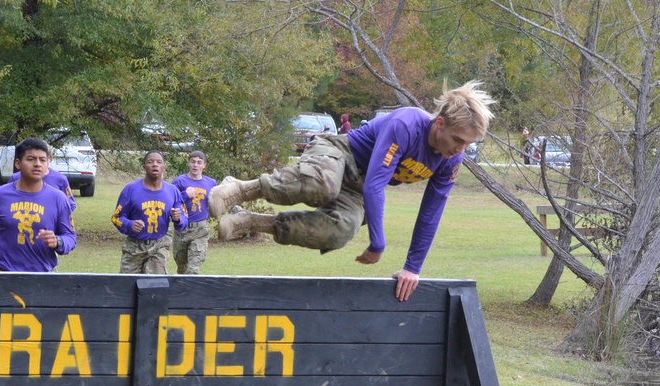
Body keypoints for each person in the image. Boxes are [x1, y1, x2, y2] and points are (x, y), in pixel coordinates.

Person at [211, 80, 495, 301]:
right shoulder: (407, 124)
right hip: (340, 154)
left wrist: (412, 267)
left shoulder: (451, 160)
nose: (460, 149)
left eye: (467, 144)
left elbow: (431, 212)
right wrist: (378, 243)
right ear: (440, 123)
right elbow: (375, 184)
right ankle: (239, 189)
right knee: (322, 185)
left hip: (358, 188)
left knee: (339, 232)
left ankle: (249, 220)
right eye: (458, 139)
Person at [0, 137, 76, 272]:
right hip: (3, 275)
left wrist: (58, 241)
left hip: (44, 278)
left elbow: (70, 237)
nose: (38, 164)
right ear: (18, 164)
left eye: (42, 160)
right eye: (31, 159)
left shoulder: (58, 198)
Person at [111, 150, 187, 274]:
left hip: (159, 244)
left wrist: (178, 218)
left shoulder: (172, 191)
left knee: (155, 285)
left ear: (164, 167)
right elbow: (116, 217)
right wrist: (130, 224)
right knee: (127, 286)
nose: (155, 165)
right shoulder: (131, 190)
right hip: (134, 247)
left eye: (159, 162)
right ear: (144, 167)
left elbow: (184, 217)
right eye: (150, 162)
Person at [170, 150, 217, 274]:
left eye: (199, 162)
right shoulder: (179, 181)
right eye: (193, 162)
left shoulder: (211, 183)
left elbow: (218, 200)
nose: (195, 165)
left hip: (200, 229)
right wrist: (185, 195)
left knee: (193, 269)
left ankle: (193, 292)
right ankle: (181, 291)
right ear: (189, 163)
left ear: (204, 165)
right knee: (182, 267)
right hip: (182, 229)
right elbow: (169, 201)